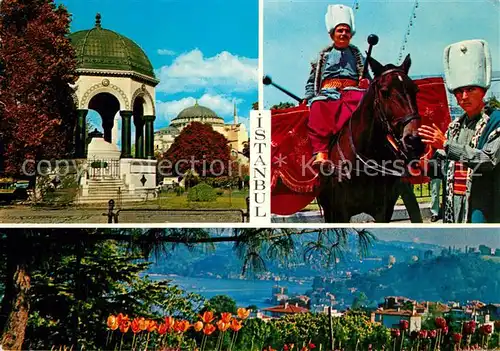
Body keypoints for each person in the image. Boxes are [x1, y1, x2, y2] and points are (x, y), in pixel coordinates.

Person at [418, 39, 500, 223]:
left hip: (484, 206)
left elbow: (487, 161)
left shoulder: (496, 122)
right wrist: (421, 164)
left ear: (483, 91)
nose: (464, 97)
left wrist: (446, 145)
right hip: (454, 207)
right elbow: (445, 169)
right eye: (458, 91)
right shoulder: (454, 127)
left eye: (471, 89)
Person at [304, 4, 369, 168]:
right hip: (328, 94)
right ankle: (322, 152)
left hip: (352, 92)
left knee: (363, 105)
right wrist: (310, 97)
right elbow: (312, 80)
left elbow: (367, 77)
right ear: (332, 34)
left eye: (347, 31)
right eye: (340, 30)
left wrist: (365, 83)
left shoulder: (357, 54)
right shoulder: (322, 55)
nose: (343, 34)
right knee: (318, 106)